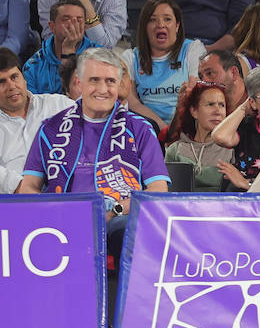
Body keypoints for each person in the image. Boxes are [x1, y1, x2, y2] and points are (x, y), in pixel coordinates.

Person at [18, 49, 168, 259]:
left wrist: (114, 209)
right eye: (94, 80)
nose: (103, 89)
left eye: (110, 81)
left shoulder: (139, 128)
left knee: (131, 230)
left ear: (119, 85)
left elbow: (158, 191)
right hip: (62, 219)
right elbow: (28, 188)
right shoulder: (50, 129)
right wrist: (56, 210)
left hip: (119, 217)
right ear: (79, 82)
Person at [121, 0, 206, 130]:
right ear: (145, 27)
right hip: (149, 129)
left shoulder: (192, 49)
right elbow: (132, 103)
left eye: (167, 19)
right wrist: (162, 129)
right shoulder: (130, 57)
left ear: (177, 25)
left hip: (187, 127)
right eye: (152, 20)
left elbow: (194, 93)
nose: (160, 25)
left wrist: (175, 130)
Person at [0, 49, 73, 193]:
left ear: (24, 78)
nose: (11, 86)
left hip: (68, 192)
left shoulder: (59, 105)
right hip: (17, 203)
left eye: (14, 77)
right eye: (2, 82)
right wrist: (24, 188)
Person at [163, 82, 233, 191]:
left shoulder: (232, 150)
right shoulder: (175, 150)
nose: (218, 111)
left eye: (222, 105)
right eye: (210, 104)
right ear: (194, 111)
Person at [23, 0, 94, 95]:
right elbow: (33, 107)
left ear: (84, 26)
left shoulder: (99, 58)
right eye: (66, 19)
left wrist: (68, 51)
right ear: (52, 27)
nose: (73, 25)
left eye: (78, 20)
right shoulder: (33, 66)